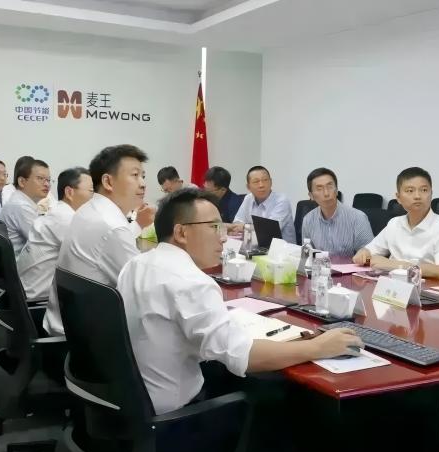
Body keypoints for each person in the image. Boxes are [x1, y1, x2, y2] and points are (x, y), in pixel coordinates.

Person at [116, 187, 363, 415]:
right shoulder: (191, 282)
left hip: (132, 404)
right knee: (276, 398)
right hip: (176, 419)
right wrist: (320, 347)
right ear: (181, 232)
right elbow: (245, 357)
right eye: (214, 227)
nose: (223, 238)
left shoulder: (135, 264)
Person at [43, 144, 155, 336]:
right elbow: (144, 290)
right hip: (83, 339)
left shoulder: (90, 210)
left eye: (143, 176)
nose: (143, 183)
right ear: (108, 182)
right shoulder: (111, 225)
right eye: (135, 175)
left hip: (66, 323)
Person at [353, 167, 439, 278]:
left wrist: (396, 265)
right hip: (391, 285)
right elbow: (368, 253)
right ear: (398, 198)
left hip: (425, 286)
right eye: (410, 191)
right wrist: (364, 254)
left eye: (424, 190)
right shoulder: (394, 224)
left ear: (431, 193)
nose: (417, 196)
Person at [16, 168, 93, 300]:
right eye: (91, 191)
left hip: (26, 290)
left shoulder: (58, 212)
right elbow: (92, 260)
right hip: (39, 299)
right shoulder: (67, 220)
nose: (95, 197)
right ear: (69, 192)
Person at [300, 168, 373, 256]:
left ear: (337, 191)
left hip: (351, 265)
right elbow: (307, 254)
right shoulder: (308, 220)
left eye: (330, 187)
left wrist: (366, 259)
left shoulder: (358, 218)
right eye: (319, 189)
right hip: (320, 265)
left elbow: (370, 256)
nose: (326, 193)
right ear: (311, 196)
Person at [232, 166, 296, 244]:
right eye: (256, 181)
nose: (261, 185)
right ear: (248, 187)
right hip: (255, 246)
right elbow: (237, 223)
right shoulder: (248, 198)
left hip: (282, 249)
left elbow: (270, 231)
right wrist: (245, 227)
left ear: (271, 182)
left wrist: (244, 227)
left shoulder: (282, 200)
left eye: (265, 180)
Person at [0, 157, 51, 255]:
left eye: (48, 180)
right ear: (22, 182)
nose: (47, 184)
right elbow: (44, 242)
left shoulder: (21, 200)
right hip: (16, 263)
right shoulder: (21, 206)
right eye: (40, 178)